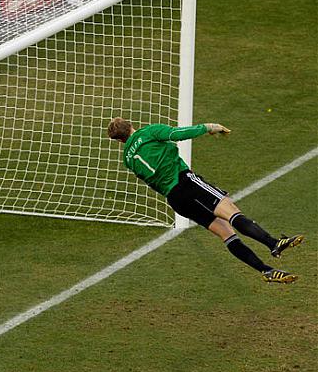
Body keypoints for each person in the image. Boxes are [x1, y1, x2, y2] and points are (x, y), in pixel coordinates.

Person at [107, 117, 304, 283]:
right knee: (231, 212)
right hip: (186, 183)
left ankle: (266, 270)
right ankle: (273, 243)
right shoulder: (149, 132)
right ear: (130, 125)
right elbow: (178, 134)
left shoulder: (128, 160)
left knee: (226, 234)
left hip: (175, 200)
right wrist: (209, 127)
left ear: (120, 141)